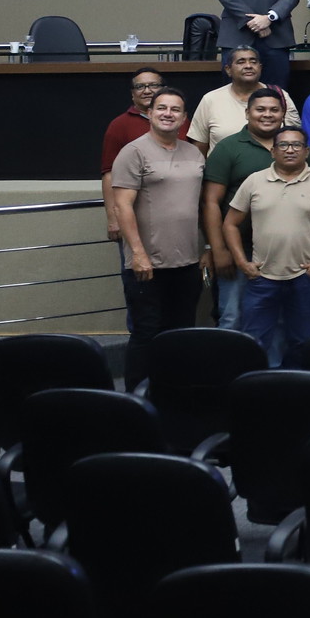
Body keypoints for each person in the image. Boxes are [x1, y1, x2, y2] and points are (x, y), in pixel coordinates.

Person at [223, 125, 310, 362]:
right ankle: (256, 391)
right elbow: (230, 223)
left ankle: (297, 392)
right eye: (283, 145)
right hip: (261, 278)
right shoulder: (254, 181)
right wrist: (242, 262)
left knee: (301, 342)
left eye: (296, 145)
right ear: (273, 151)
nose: (290, 150)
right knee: (254, 342)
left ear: (306, 151)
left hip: (304, 278)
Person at [110, 87, 205, 388]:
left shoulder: (193, 152)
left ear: (184, 118)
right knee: (146, 333)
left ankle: (174, 391)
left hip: (187, 261)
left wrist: (207, 247)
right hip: (147, 263)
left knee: (181, 332)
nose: (168, 114)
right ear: (149, 113)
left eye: (175, 110)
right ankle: (136, 396)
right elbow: (122, 205)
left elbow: (201, 204)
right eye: (161, 108)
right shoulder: (133, 152)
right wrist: (137, 253)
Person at [201, 88, 286, 334]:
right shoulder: (228, 148)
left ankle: (276, 372)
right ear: (248, 113)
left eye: (274, 110)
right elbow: (210, 202)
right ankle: (232, 372)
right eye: (260, 109)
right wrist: (218, 250)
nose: (267, 115)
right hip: (238, 247)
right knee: (232, 317)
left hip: (283, 251)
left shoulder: (293, 145)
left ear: (283, 114)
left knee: (278, 319)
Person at [100, 70, 163, 275]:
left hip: (170, 221)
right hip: (133, 217)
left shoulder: (177, 121)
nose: (147, 91)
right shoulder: (119, 125)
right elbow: (109, 173)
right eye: (140, 86)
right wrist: (112, 218)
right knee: (137, 278)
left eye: (153, 85)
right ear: (132, 94)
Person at [187, 47, 292, 153]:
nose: (248, 66)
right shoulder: (210, 99)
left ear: (260, 68)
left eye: (253, 62)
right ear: (228, 70)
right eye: (241, 62)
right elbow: (199, 147)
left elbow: (294, 138)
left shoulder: (280, 96)